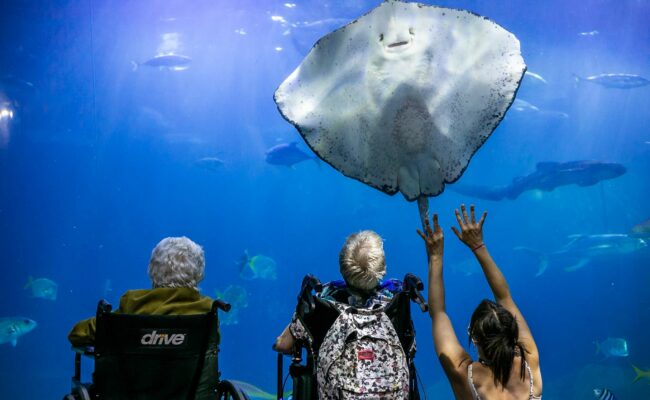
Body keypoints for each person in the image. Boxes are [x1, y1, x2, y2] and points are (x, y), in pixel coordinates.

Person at [417, 204, 542, 399]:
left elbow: (438, 313)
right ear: (512, 332)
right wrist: (478, 245)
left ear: (474, 338)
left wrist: (435, 257)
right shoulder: (529, 361)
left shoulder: (465, 377)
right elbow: (505, 297)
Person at [68, 236, 214, 347]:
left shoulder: (134, 304)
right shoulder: (207, 311)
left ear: (152, 269)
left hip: (130, 387)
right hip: (190, 387)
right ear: (199, 273)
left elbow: (78, 333)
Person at [273, 230, 392, 353]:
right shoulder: (394, 301)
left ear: (341, 267)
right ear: (383, 268)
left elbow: (282, 345)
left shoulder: (324, 302)